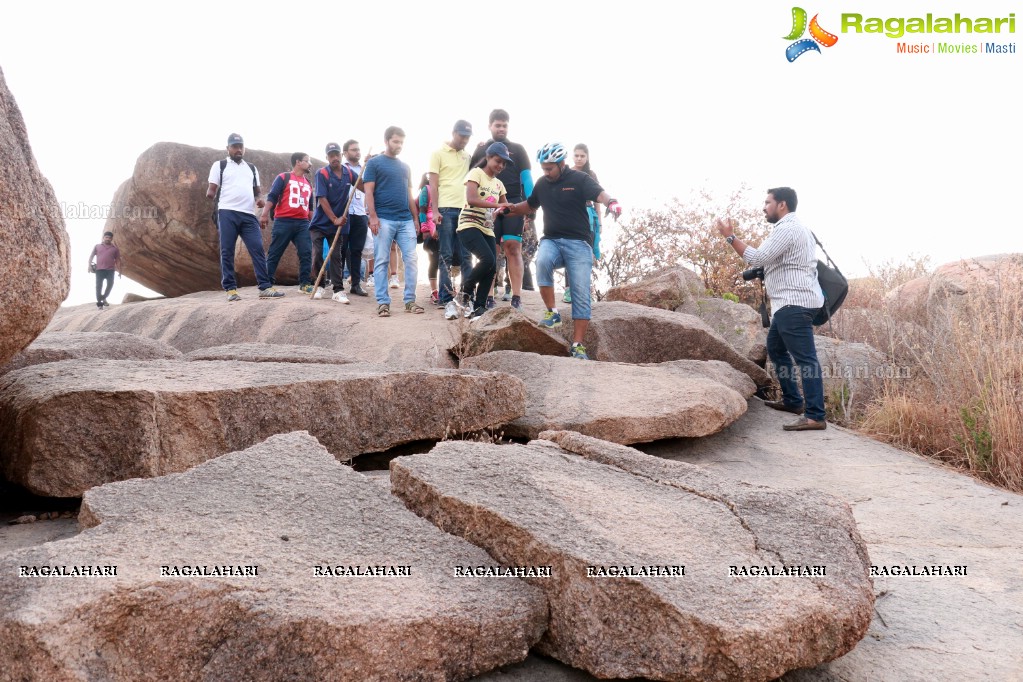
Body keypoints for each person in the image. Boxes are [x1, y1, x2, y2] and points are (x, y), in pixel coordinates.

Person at [715, 187, 827, 431]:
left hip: (794, 304)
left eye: (767, 202)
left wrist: (730, 237)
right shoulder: (796, 229)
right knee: (776, 349)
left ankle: (815, 415)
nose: (764, 207)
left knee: (806, 360)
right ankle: (793, 400)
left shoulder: (787, 229)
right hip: (789, 304)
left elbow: (757, 257)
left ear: (782, 205)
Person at [498, 142, 622, 360]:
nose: (546, 172)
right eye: (543, 168)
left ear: (562, 163)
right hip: (552, 240)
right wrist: (509, 210)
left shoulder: (579, 179)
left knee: (581, 293)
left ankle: (577, 345)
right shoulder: (542, 184)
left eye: (550, 168)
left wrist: (611, 202)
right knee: (542, 262)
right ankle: (552, 312)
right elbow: (530, 205)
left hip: (579, 244)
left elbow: (599, 194)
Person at [469, 109, 533, 310]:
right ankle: (488, 296)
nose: (501, 128)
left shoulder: (519, 149)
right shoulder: (481, 150)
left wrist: (530, 209)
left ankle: (516, 297)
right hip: (488, 204)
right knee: (491, 250)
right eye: (498, 125)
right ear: (490, 126)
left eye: (505, 125)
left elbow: (527, 179)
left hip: (513, 203)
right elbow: (472, 178)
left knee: (513, 247)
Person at [206, 133, 282, 300]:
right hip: (227, 212)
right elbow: (212, 190)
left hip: (248, 214)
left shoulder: (251, 168)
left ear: (244, 148)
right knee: (227, 250)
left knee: (257, 249)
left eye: (241, 146)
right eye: (234, 146)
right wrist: (210, 193)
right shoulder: (220, 165)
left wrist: (260, 201)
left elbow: (257, 192)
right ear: (228, 148)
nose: (238, 149)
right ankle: (231, 289)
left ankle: (265, 287)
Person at [360, 126, 423, 317]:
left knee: (411, 259)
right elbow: (368, 191)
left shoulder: (405, 167)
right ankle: (383, 302)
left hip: (405, 219)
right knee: (381, 260)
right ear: (387, 141)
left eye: (402, 142)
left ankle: (410, 301)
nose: (399, 145)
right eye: (396, 141)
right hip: (383, 218)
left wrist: (415, 218)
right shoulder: (374, 164)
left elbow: (409, 194)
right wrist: (372, 216)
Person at [458, 143, 510, 320]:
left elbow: (505, 206)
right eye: (498, 161)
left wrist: (516, 209)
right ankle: (466, 289)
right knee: (487, 259)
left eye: (504, 163)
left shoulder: (499, 184)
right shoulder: (476, 173)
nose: (501, 166)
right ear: (488, 157)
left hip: (487, 228)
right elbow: (471, 199)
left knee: (492, 266)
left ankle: (479, 306)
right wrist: (498, 205)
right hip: (469, 224)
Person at [429, 119, 474, 320]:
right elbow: (433, 185)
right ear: (453, 133)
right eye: (461, 135)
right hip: (445, 210)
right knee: (445, 255)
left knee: (466, 256)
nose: (464, 140)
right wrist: (435, 211)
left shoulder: (468, 156)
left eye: (467, 137)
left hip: (465, 210)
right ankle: (447, 300)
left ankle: (467, 297)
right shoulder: (437, 154)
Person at [310, 143, 361, 303]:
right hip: (321, 223)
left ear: (341, 155)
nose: (334, 158)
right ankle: (318, 285)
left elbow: (362, 184)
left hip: (338, 224)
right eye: (331, 155)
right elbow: (322, 199)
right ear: (327, 157)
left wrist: (369, 166)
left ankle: (338, 290)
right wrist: (334, 219)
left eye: (337, 154)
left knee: (337, 256)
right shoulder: (322, 173)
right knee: (318, 254)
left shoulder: (348, 172)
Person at [261, 152, 314, 293]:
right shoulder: (283, 177)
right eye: (307, 161)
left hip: (302, 223)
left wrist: (314, 224)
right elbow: (272, 196)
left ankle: (304, 283)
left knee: (306, 252)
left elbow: (310, 208)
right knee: (275, 252)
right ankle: (266, 285)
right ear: (298, 162)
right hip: (283, 221)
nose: (310, 164)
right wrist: (264, 214)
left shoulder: (308, 183)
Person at [563, 143, 603, 304]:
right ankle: (568, 291)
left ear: (587, 157)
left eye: (582, 156)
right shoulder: (567, 172)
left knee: (587, 253)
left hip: (589, 216)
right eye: (577, 155)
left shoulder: (591, 175)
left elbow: (598, 197)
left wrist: (599, 220)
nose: (579, 158)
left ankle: (584, 290)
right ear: (572, 156)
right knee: (569, 251)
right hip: (570, 216)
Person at [342, 140, 372, 287]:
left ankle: (356, 284)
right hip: (345, 212)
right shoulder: (341, 169)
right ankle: (338, 284)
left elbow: (370, 187)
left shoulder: (366, 168)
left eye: (358, 149)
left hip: (360, 213)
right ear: (345, 153)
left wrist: (371, 163)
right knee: (341, 249)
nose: (357, 152)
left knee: (357, 250)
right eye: (353, 150)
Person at [418, 173, 441, 305]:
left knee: (447, 259)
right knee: (434, 260)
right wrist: (425, 229)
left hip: (444, 228)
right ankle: (434, 291)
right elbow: (422, 209)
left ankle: (447, 288)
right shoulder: (426, 189)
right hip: (430, 229)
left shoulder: (444, 188)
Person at [88, 231, 121, 309]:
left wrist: (120, 271)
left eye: (109, 238)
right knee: (98, 287)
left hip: (110, 270)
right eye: (106, 237)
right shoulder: (97, 246)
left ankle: (103, 297)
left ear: (111, 239)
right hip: (99, 270)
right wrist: (89, 265)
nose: (108, 239)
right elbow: (91, 256)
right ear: (103, 238)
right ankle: (100, 304)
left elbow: (118, 260)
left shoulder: (115, 249)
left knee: (110, 285)